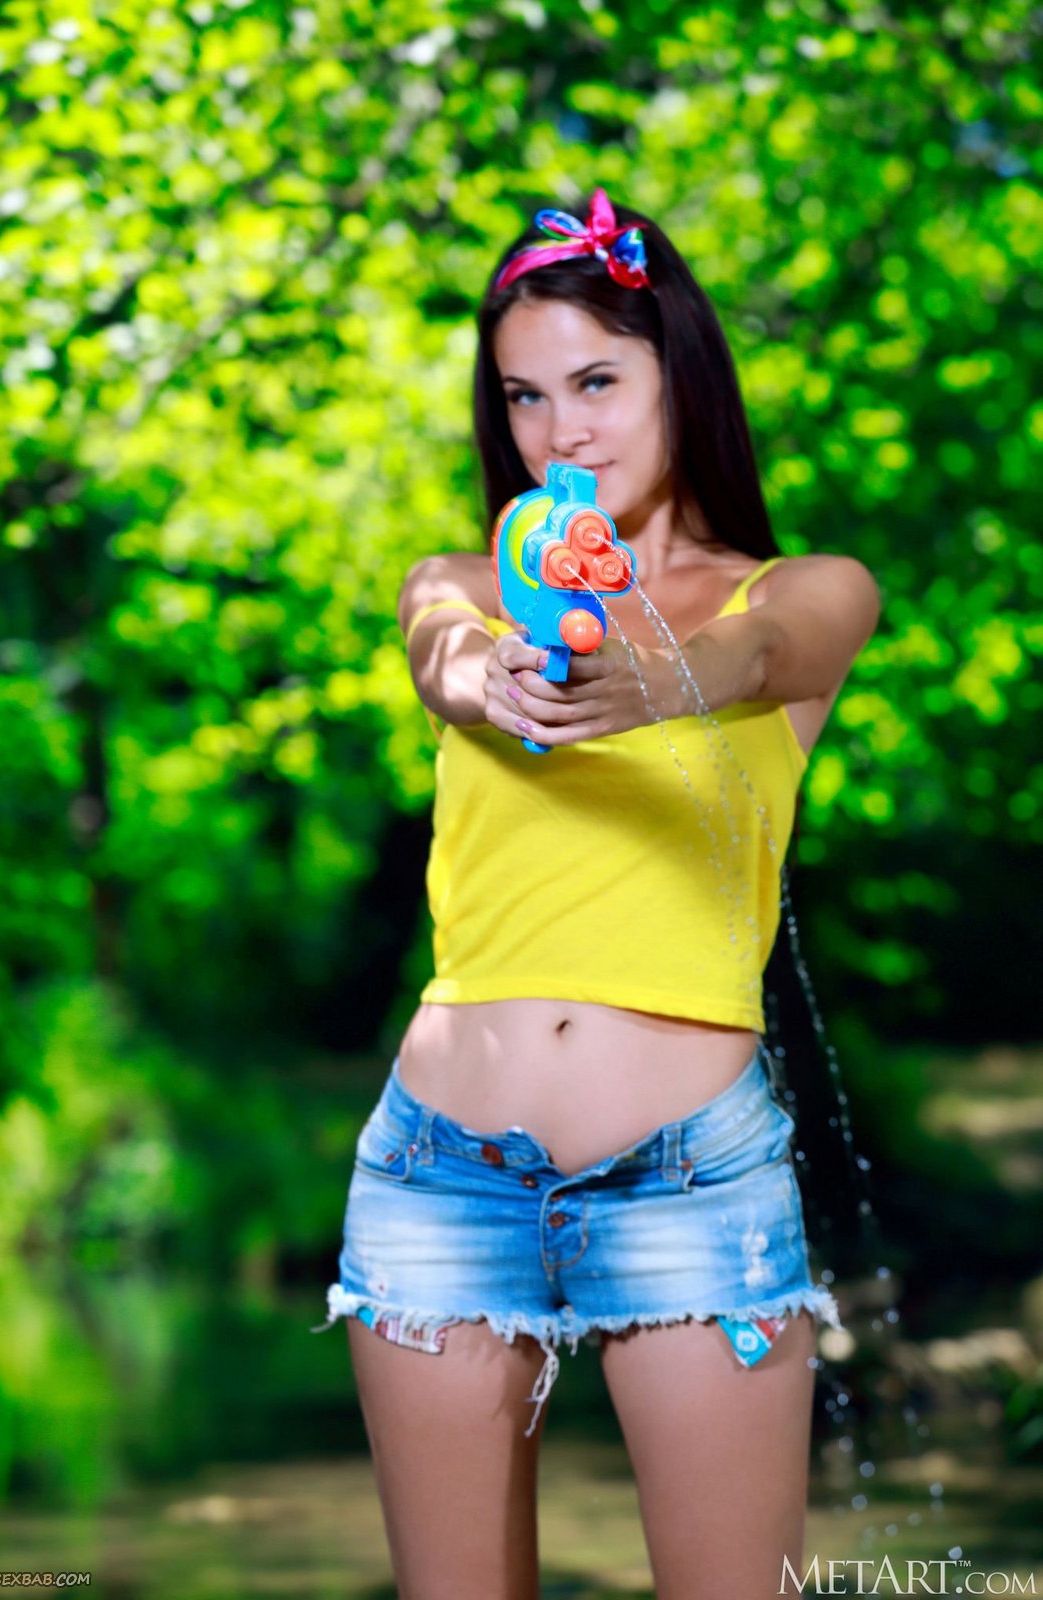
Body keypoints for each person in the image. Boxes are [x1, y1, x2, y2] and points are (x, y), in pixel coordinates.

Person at [313, 189, 880, 1598]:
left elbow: (768, 658)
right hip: (436, 1178)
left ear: (679, 375)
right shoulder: (461, 587)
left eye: (595, 383)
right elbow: (443, 657)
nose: (558, 431)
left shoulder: (804, 591)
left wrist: (657, 678)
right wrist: (494, 673)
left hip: (690, 1185)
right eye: (524, 395)